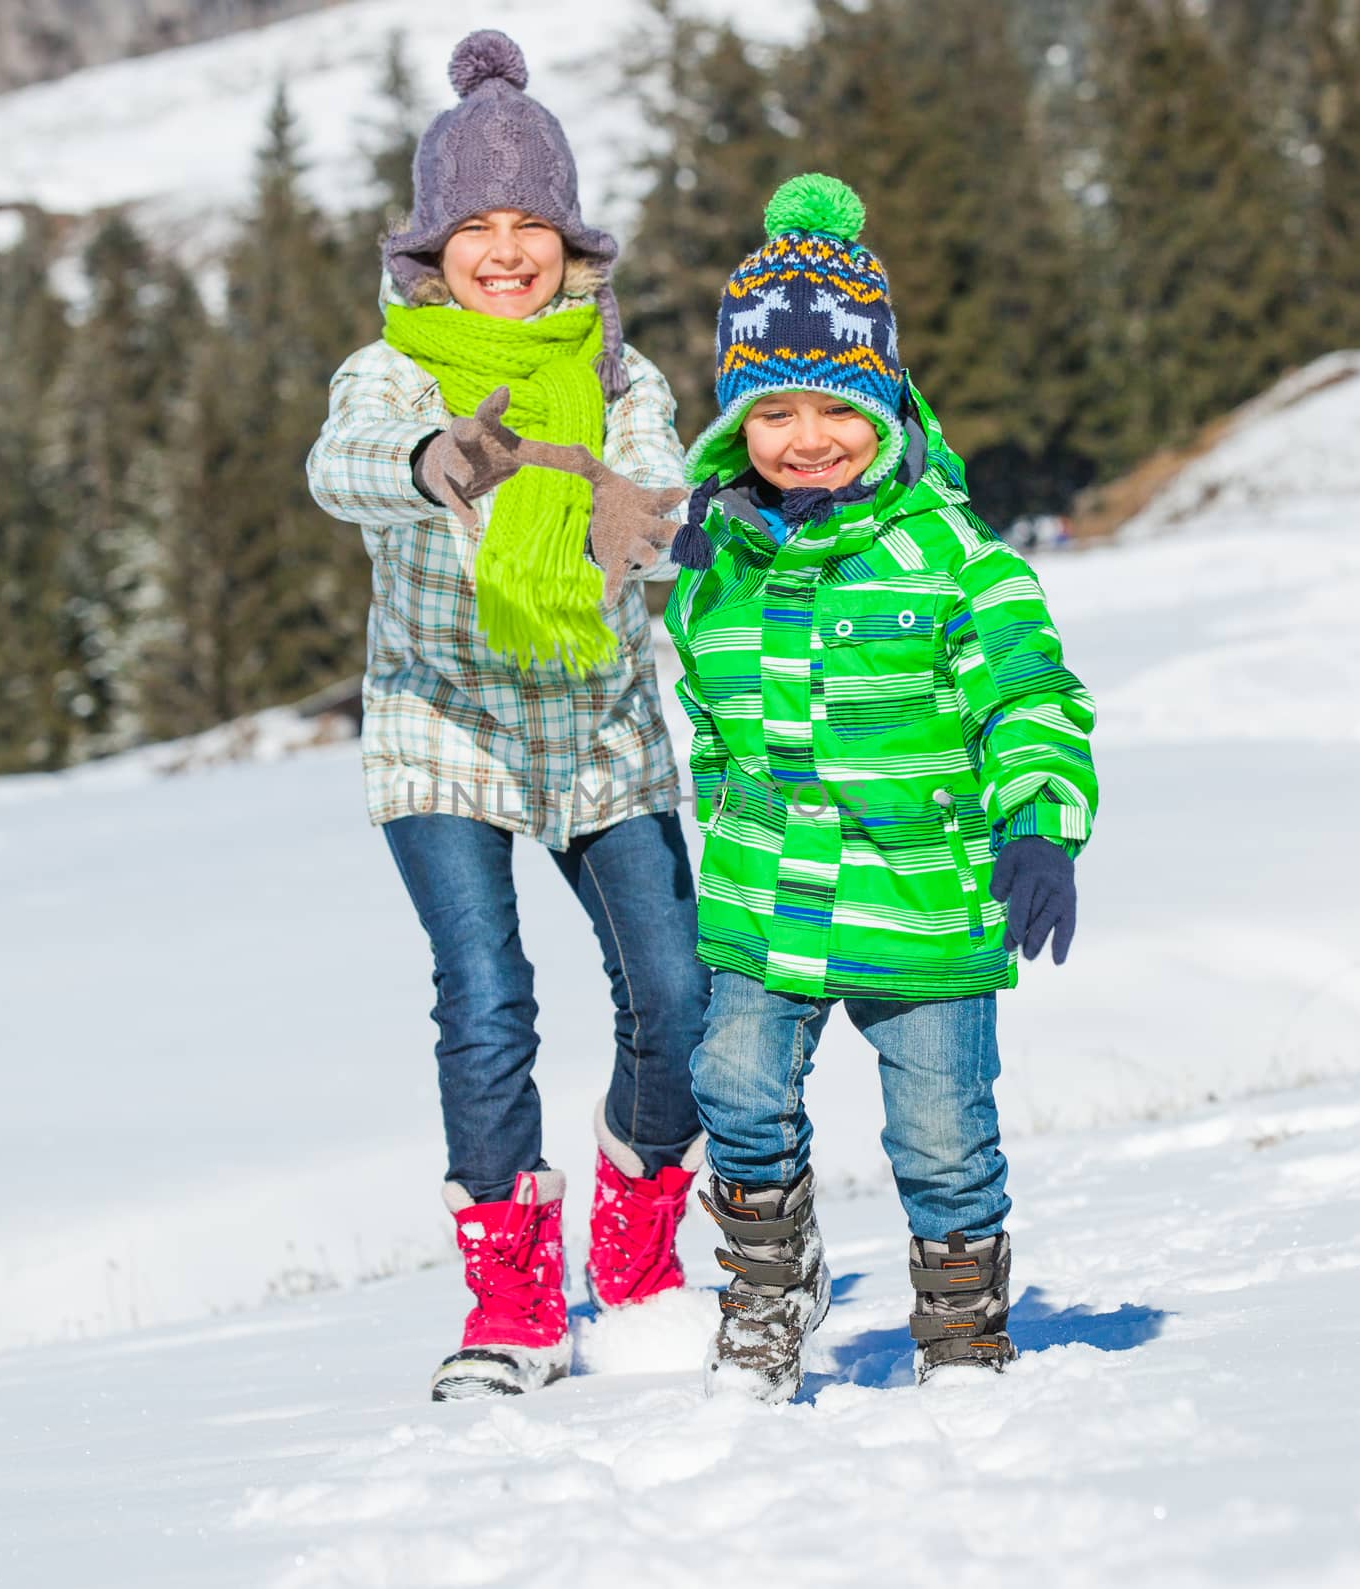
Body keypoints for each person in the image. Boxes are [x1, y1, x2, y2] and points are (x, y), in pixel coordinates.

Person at [306, 30, 710, 1402]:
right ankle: (514, 1301)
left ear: (568, 244)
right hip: (445, 729)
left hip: (597, 722)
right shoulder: (398, 372)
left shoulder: (622, 377)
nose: (503, 248)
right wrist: (436, 462)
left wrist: (637, 523)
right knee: (487, 1000)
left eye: (527, 222)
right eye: (474, 224)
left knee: (676, 997)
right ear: (429, 249)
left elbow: (655, 491)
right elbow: (341, 465)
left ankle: (639, 1243)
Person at [664, 174, 1099, 1401]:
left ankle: (960, 1327)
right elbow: (711, 721)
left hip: (924, 897)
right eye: (772, 409)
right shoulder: (716, 574)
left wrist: (1039, 824)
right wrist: (728, 822)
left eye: (837, 405)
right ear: (734, 421)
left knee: (944, 1135)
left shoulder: (957, 558)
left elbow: (1032, 699)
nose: (806, 437)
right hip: (772, 899)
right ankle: (767, 1287)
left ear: (888, 399)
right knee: (734, 1084)